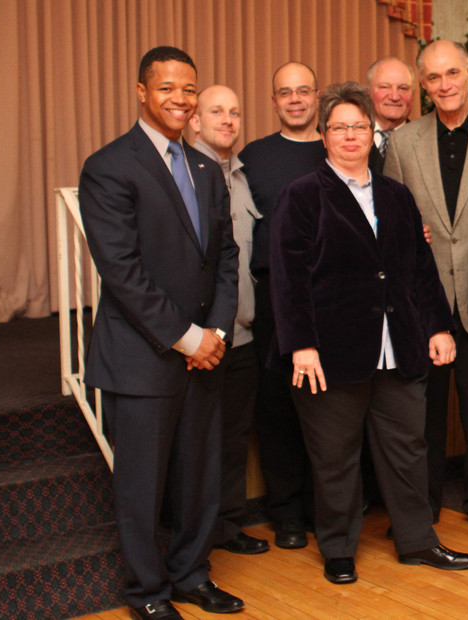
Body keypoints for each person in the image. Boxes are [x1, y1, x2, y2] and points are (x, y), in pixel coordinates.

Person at [269, 81, 468, 585]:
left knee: (408, 450)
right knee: (336, 457)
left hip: (400, 347)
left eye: (358, 127)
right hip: (331, 354)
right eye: (338, 127)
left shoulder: (395, 194)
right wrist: (301, 345)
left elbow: (420, 270)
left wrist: (438, 327)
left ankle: (418, 542)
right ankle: (339, 549)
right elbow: (287, 276)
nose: (349, 136)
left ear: (372, 134)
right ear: (324, 136)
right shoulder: (301, 197)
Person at [78, 46, 243, 619]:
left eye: (189, 89)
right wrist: (186, 337)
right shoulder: (109, 166)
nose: (181, 98)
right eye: (168, 88)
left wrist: (216, 331)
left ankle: (192, 574)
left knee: (200, 478)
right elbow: (122, 271)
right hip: (143, 357)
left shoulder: (205, 166)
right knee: (142, 487)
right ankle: (147, 593)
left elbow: (225, 257)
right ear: (142, 92)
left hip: (206, 352)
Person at [383, 40, 468, 538]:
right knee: (423, 415)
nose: (444, 85)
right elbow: (392, 216)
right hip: (425, 302)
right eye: (432, 78)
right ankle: (424, 505)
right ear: (423, 84)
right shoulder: (404, 142)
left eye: (452, 73)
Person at [239, 61, 326, 550]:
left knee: (328, 407)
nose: (295, 100)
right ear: (273, 102)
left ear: (318, 96)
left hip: (331, 300)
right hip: (273, 297)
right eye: (284, 92)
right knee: (276, 408)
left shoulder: (340, 146)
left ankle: (323, 507)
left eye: (303, 91)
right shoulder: (252, 157)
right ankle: (287, 512)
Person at [188, 84, 269, 557]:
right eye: (216, 111)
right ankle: (192, 535)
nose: (227, 120)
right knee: (197, 442)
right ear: (195, 121)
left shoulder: (240, 176)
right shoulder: (183, 174)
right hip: (198, 339)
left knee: (234, 437)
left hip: (242, 333)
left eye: (235, 112)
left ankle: (227, 525)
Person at [366, 57, 415, 174]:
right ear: (368, 92)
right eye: (384, 87)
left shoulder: (426, 143)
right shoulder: (351, 136)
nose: (394, 97)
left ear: (413, 95)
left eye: (403, 88)